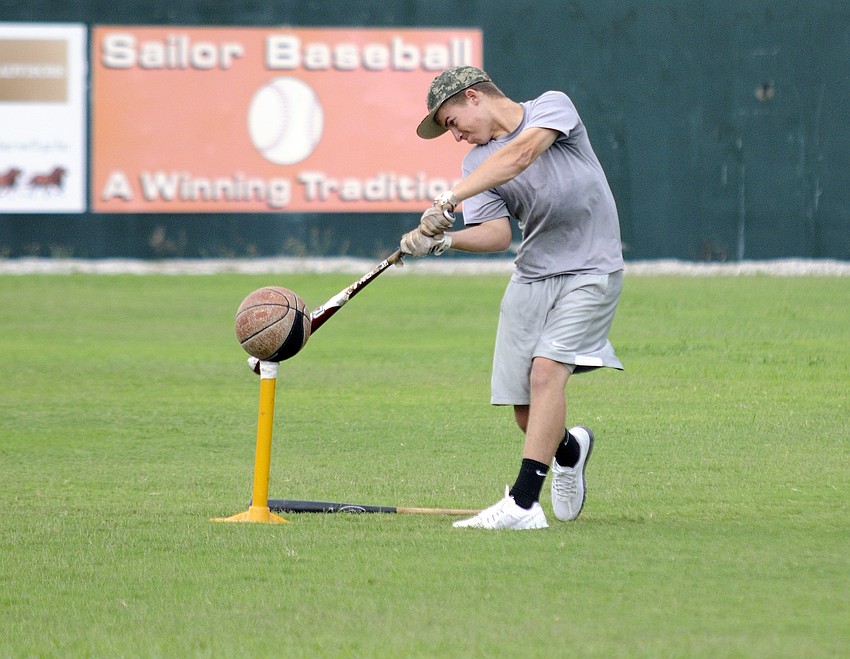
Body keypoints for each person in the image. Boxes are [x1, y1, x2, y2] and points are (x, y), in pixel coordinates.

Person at [400, 66, 624, 530]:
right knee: (527, 413)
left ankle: (523, 504)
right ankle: (570, 449)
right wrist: (444, 242)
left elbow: (521, 155)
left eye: (450, 122)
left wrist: (448, 200)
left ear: (473, 97)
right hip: (532, 277)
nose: (455, 136)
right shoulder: (474, 165)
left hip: (591, 269)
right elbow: (498, 234)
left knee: (547, 373)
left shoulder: (551, 106)